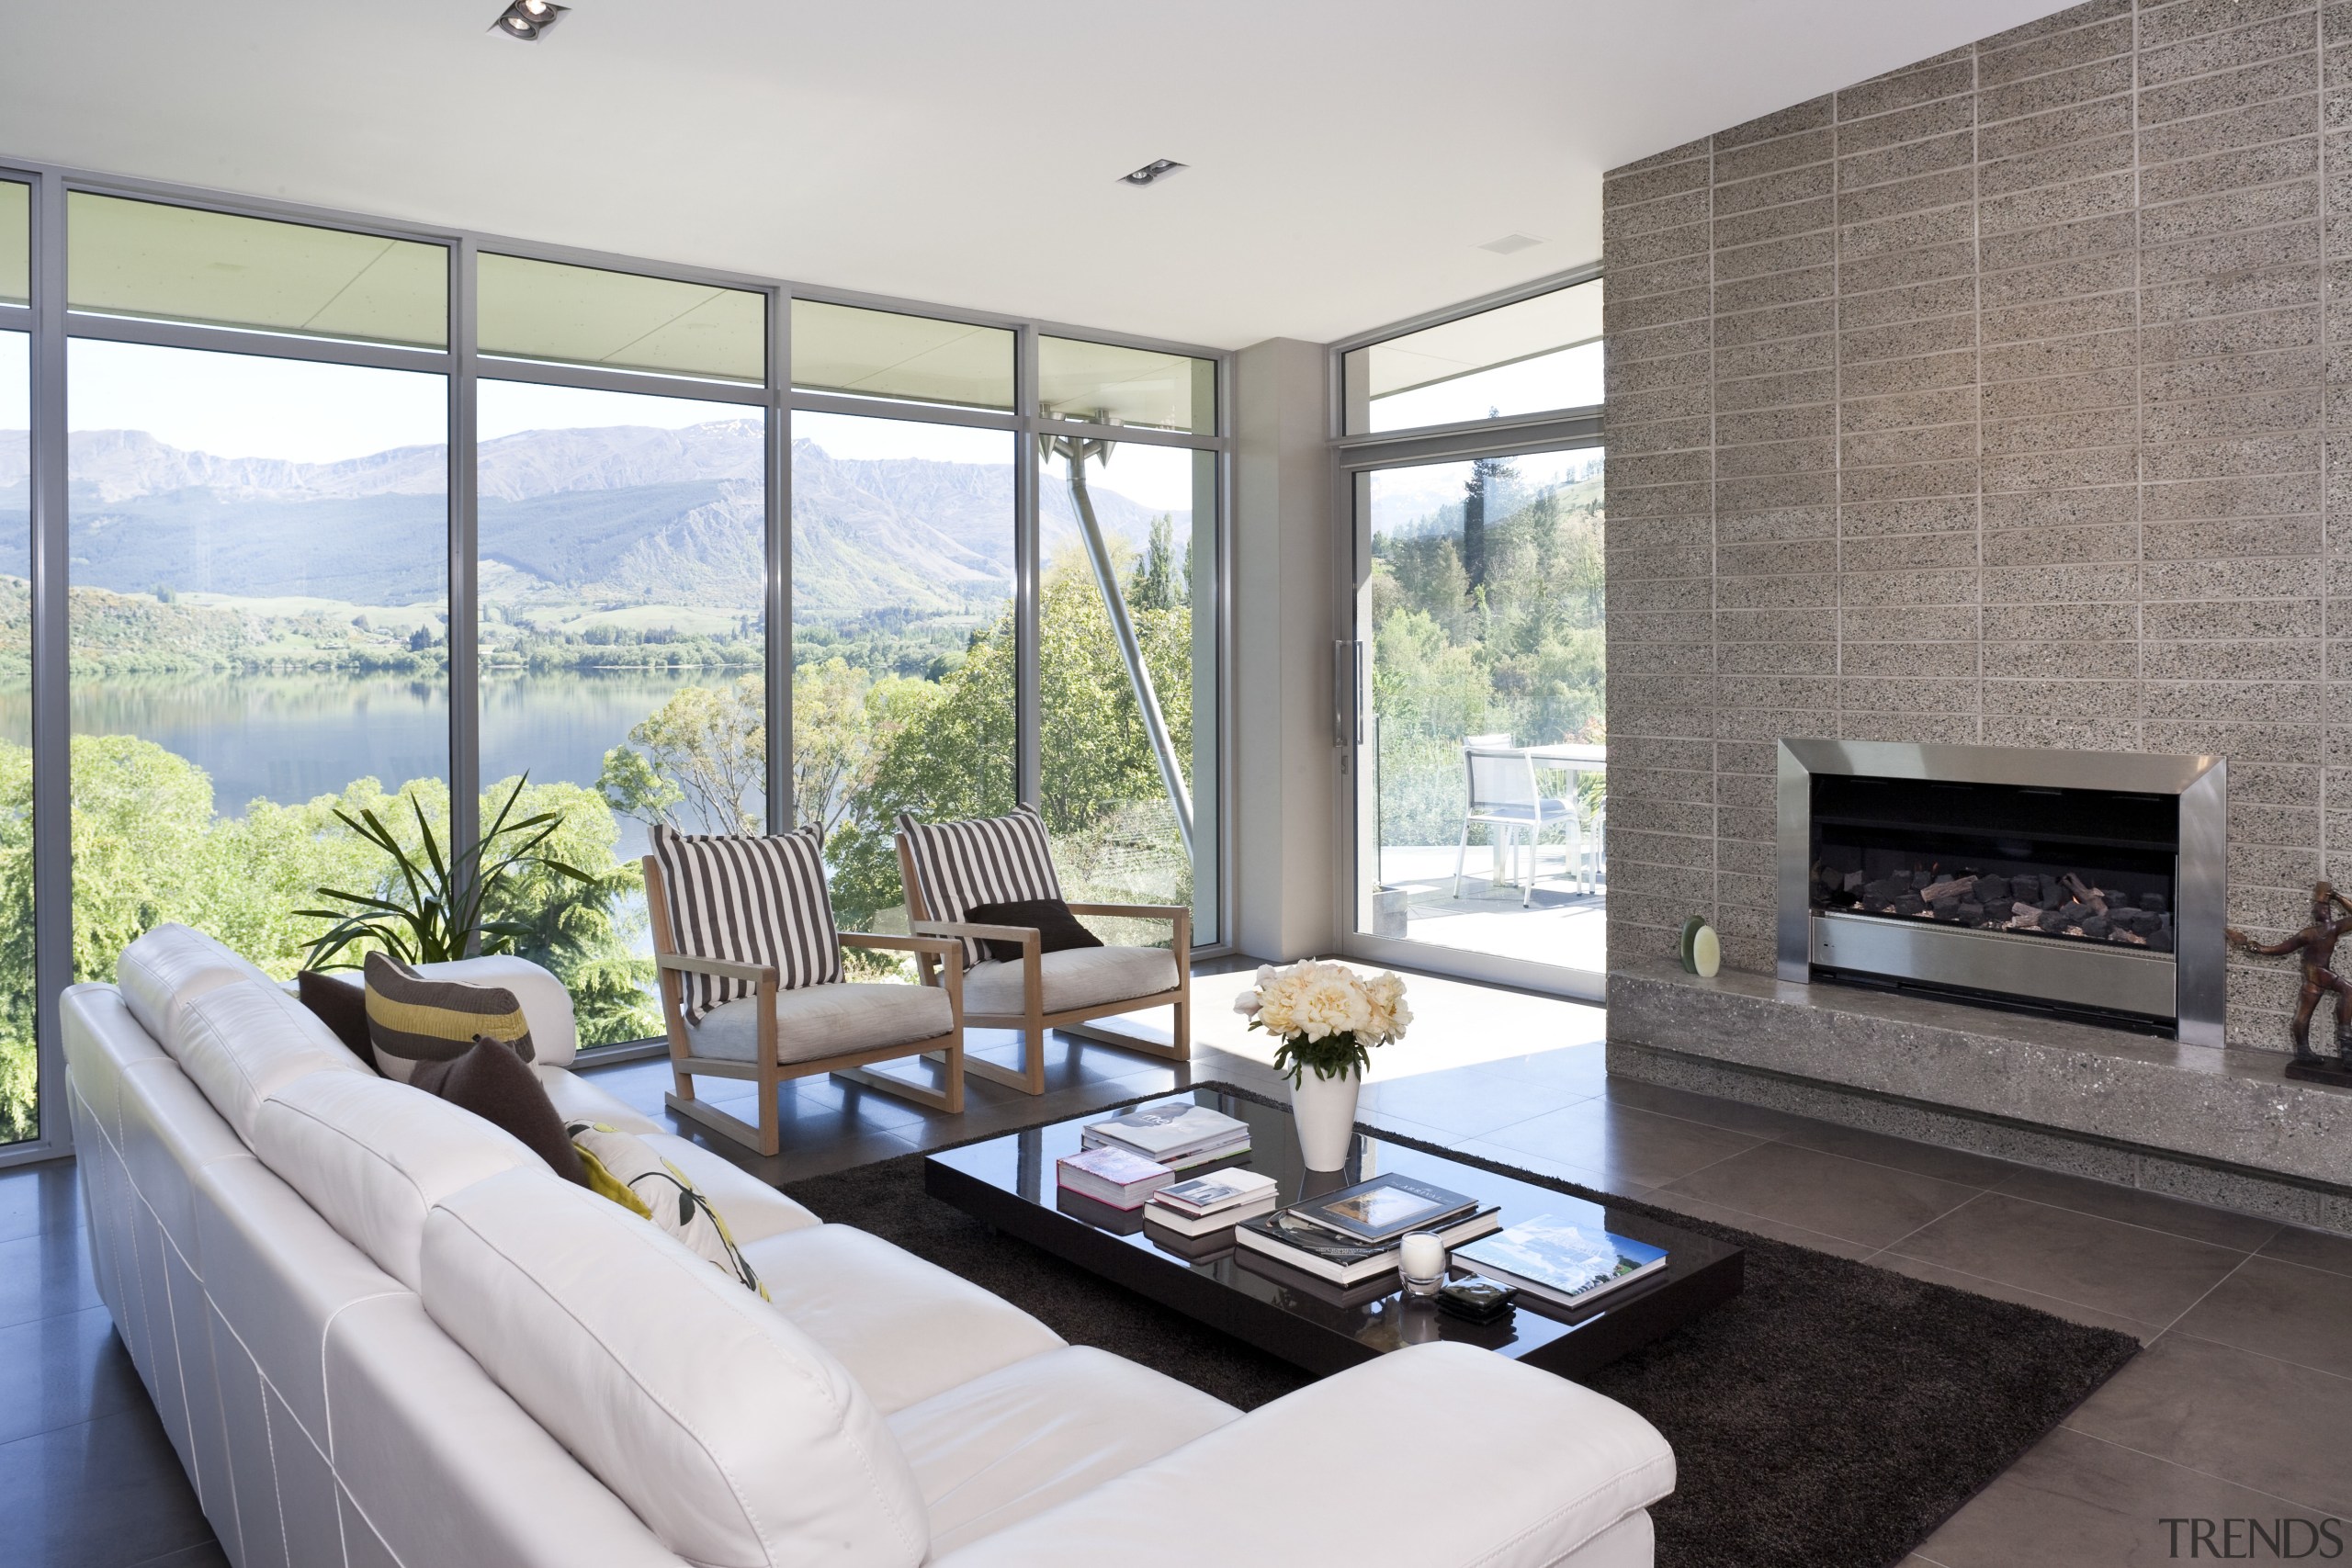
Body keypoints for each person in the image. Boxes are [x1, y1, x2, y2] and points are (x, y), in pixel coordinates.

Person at [2225, 881, 2352, 1067]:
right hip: (2316, 973)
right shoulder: (2309, 934)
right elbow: (2280, 949)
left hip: (2317, 974)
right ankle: (2333, 1049)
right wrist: (2256, 947)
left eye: (2325, 907)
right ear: (2316, 913)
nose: (2323, 911)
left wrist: (2338, 896)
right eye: (2320, 907)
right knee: (2312, 1010)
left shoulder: (2333, 929)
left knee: (2310, 1011)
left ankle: (2340, 1049)